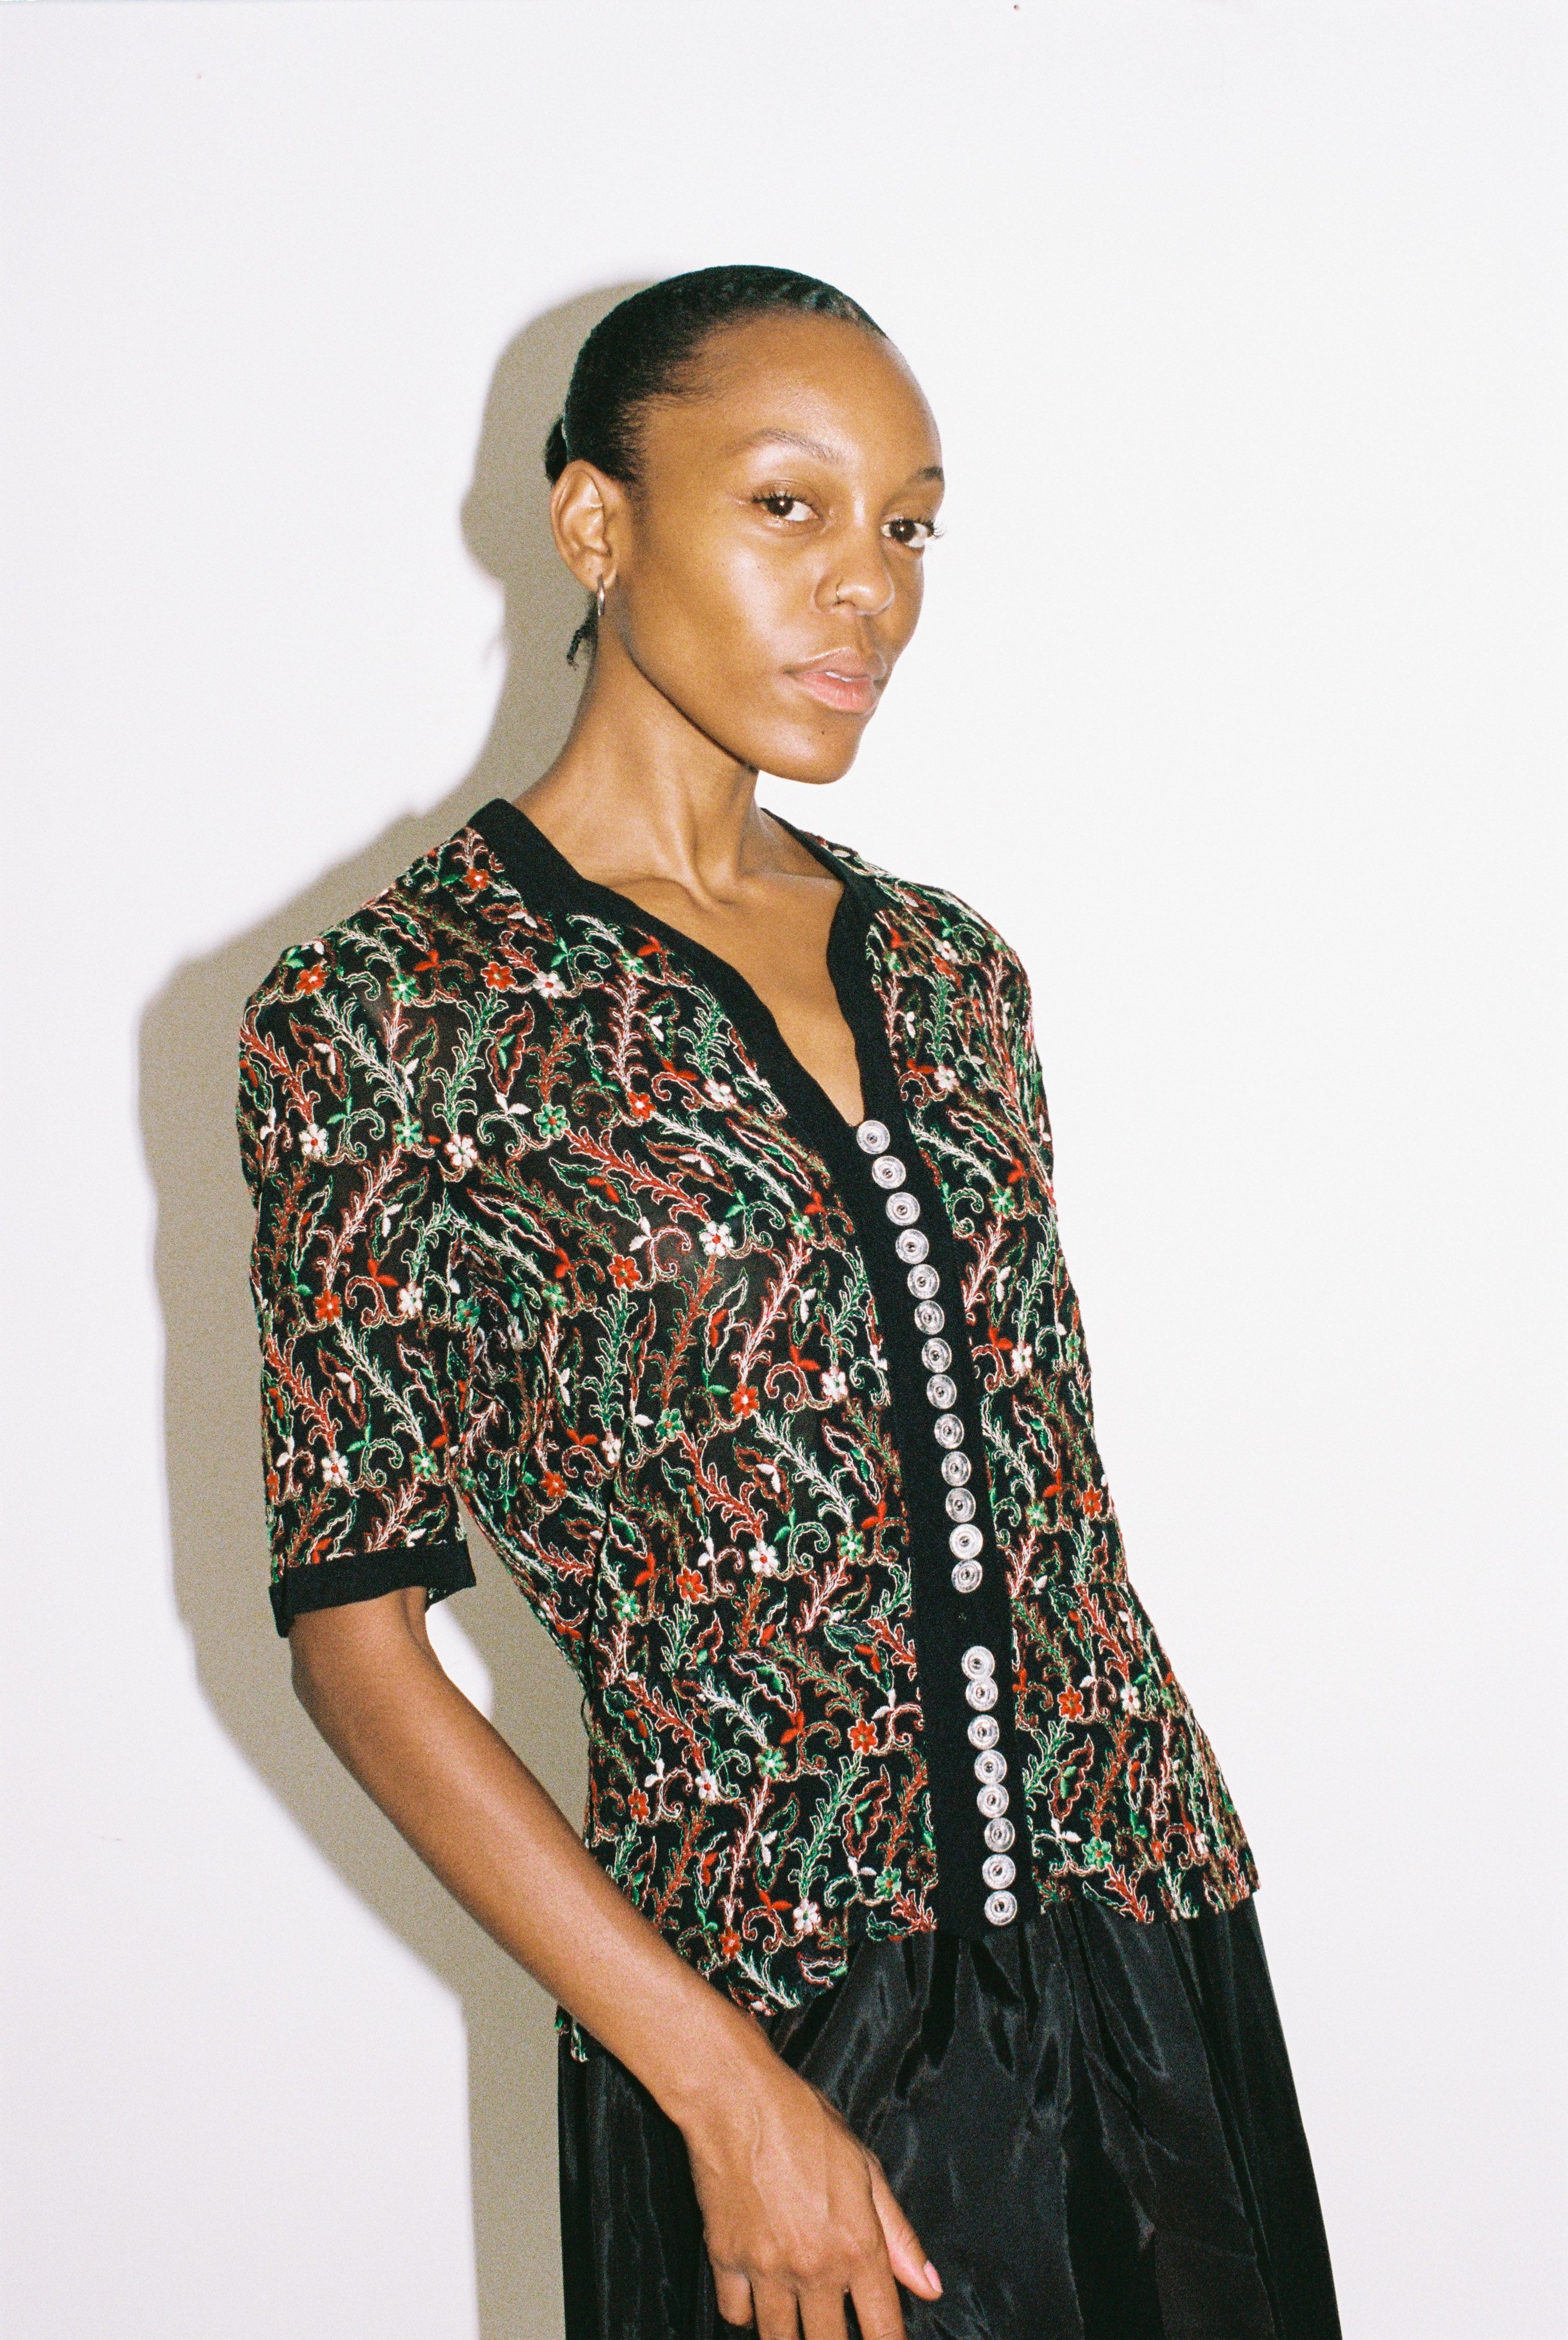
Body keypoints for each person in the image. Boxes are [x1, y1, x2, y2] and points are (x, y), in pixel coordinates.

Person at [237, 266, 1341, 2340]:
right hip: (774, 2035)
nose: (870, 595)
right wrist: (718, 2086)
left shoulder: (950, 971)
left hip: (1150, 1969)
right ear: (594, 523)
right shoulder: (390, 1018)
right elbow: (357, 1640)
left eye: (908, 524)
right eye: (789, 508)